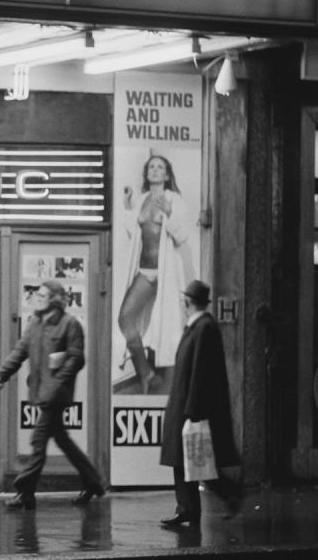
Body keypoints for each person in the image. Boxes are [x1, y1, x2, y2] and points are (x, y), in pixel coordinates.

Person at [0, 279, 105, 510]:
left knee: (38, 441)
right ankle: (93, 483)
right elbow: (20, 351)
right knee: (62, 440)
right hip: (41, 392)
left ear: (54, 300)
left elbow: (76, 359)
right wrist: (1, 375)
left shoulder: (70, 324)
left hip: (57, 395)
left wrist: (56, 384)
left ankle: (25, 491)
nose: (37, 299)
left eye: (42, 296)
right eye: (37, 296)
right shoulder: (34, 323)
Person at [159, 279, 243, 527]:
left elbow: (200, 372)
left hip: (190, 407)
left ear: (187, 301)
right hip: (185, 404)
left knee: (200, 462)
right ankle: (188, 508)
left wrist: (192, 411)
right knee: (185, 460)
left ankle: (230, 494)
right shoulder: (197, 326)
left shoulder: (204, 327)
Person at [118, 154, 194, 394]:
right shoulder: (141, 199)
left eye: (160, 167)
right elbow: (134, 235)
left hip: (166, 273)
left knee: (169, 326)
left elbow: (182, 237)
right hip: (145, 270)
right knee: (125, 318)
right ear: (147, 173)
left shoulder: (175, 200)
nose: (155, 170)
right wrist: (128, 206)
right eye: (151, 166)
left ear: (167, 174)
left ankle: (171, 386)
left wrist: (170, 215)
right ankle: (146, 374)